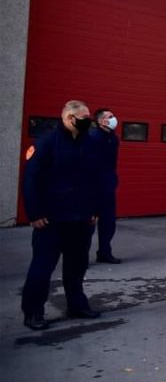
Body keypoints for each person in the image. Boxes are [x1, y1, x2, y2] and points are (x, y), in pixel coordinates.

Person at [20, 100, 103, 331]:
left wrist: (96, 209)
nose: (89, 121)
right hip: (51, 219)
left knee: (77, 267)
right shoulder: (47, 143)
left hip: (81, 218)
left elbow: (96, 179)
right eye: (85, 117)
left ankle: (77, 305)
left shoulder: (90, 143)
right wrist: (35, 213)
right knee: (42, 267)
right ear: (69, 118)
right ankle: (33, 312)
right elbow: (31, 180)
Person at [88, 108, 122, 264]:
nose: (114, 119)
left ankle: (104, 252)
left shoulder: (113, 139)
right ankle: (80, 257)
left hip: (108, 187)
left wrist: (113, 180)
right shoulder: (93, 137)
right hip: (93, 188)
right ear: (101, 121)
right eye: (110, 117)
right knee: (88, 223)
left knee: (108, 223)